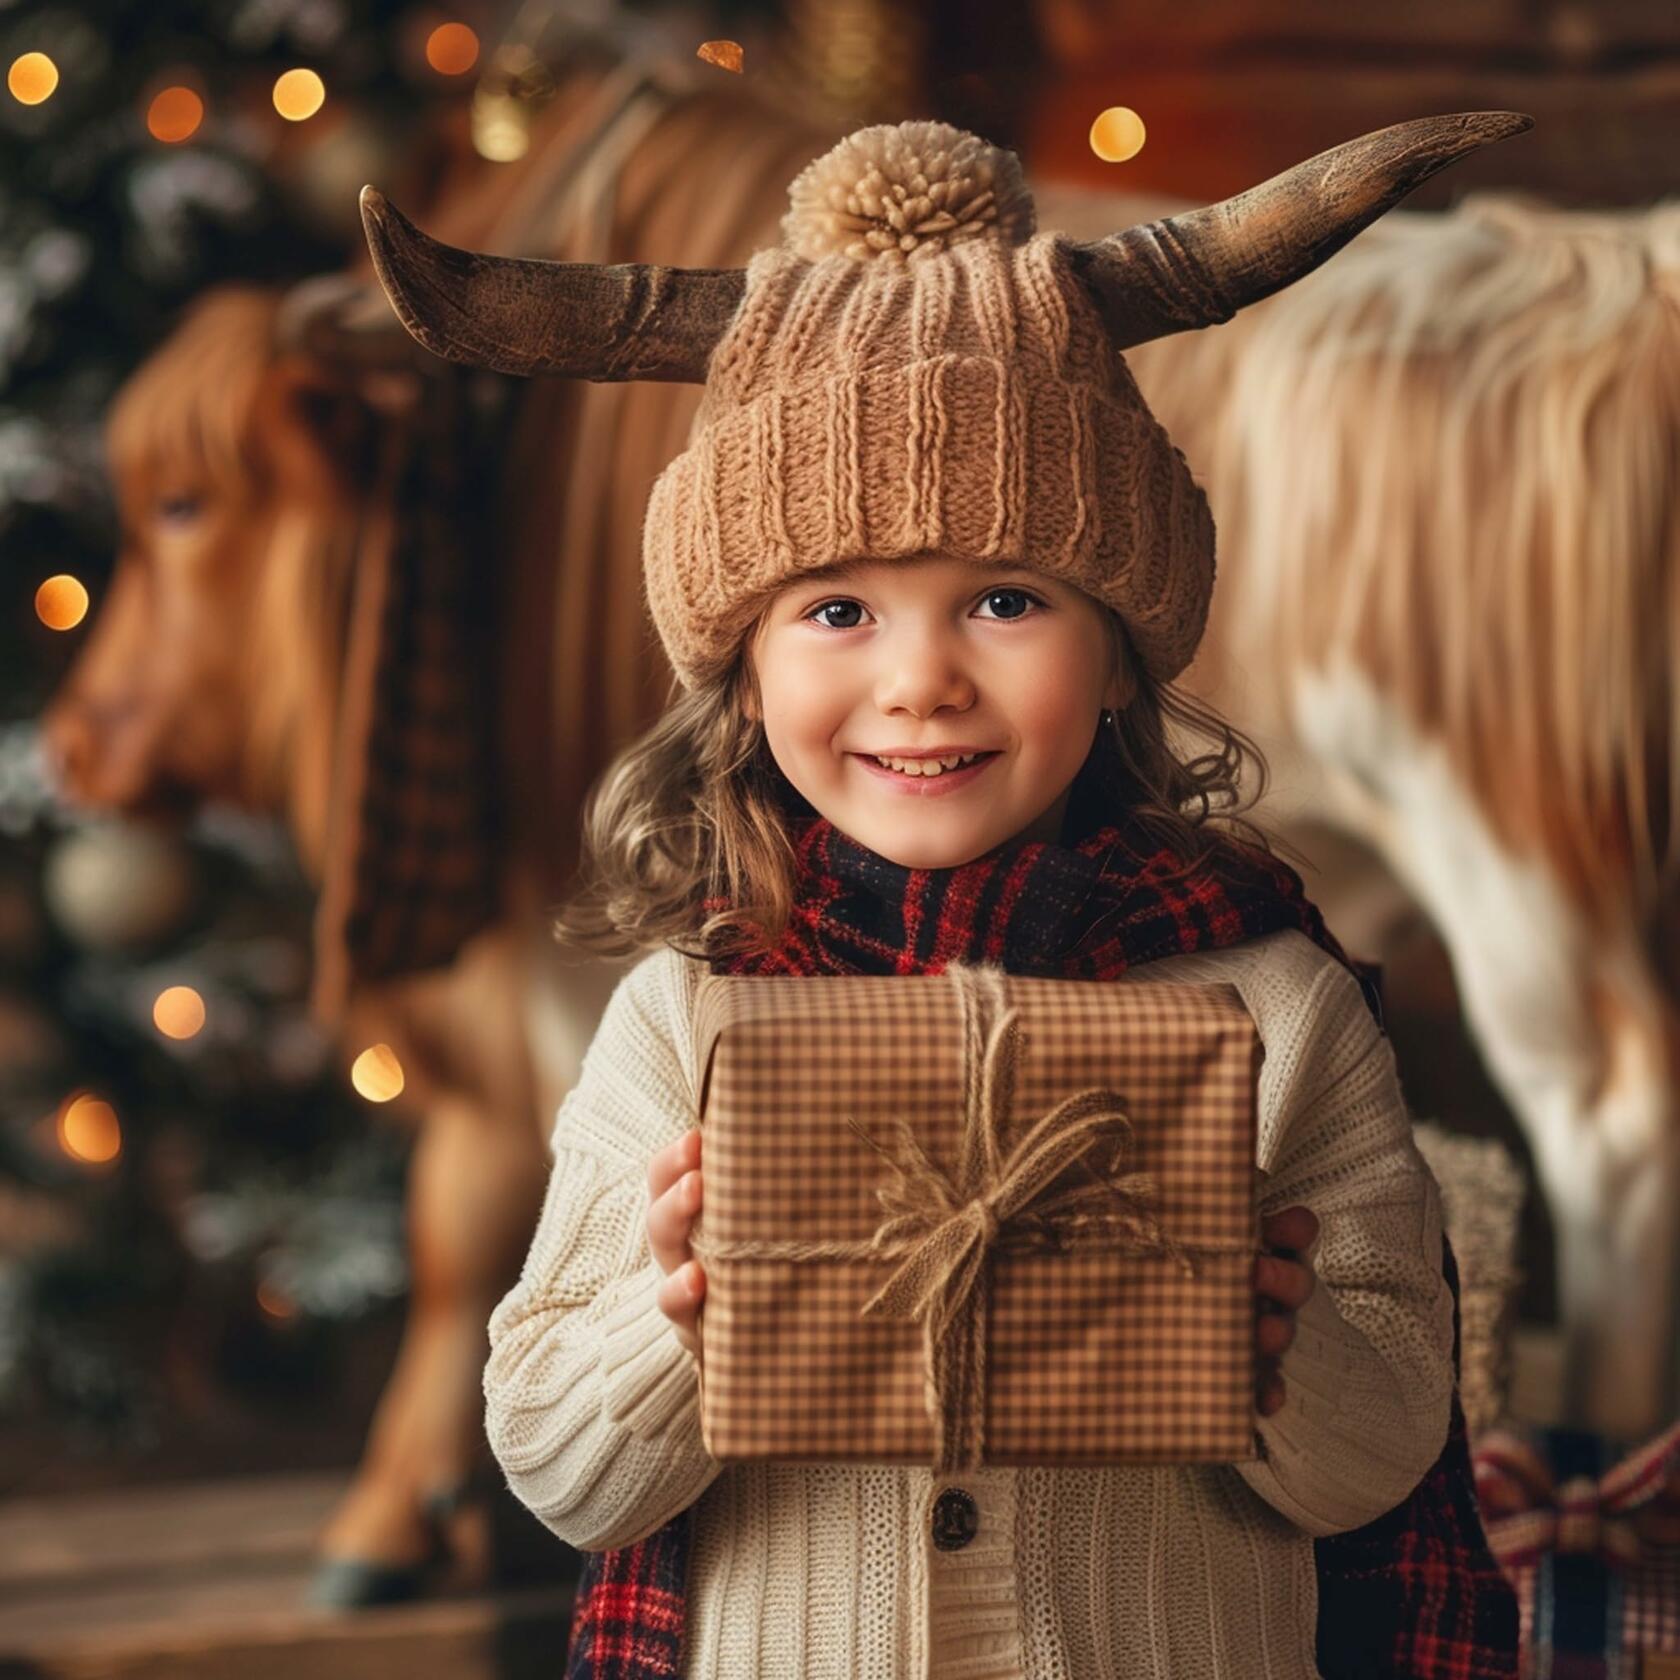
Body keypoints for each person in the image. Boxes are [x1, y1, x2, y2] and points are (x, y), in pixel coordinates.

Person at [362, 114, 1524, 1678]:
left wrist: (1279, 1349)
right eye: (838, 610)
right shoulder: (684, 1020)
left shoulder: (1275, 1004)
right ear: (741, 674)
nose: (921, 681)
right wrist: (677, 1325)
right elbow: (565, 1475)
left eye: (1006, 599)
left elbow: (1382, 1462)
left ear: (1119, 655)